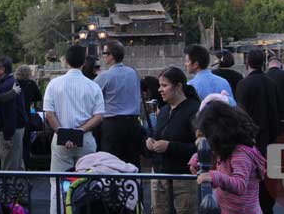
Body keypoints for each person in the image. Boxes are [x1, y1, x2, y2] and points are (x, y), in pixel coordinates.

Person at [43, 45, 105, 214]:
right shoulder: (93, 86)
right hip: (85, 139)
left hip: (60, 140)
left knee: (57, 184)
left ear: (66, 61)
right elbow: (99, 116)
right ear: (84, 62)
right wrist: (80, 132)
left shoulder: (54, 84)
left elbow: (49, 114)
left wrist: (63, 133)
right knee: (87, 184)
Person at [191, 101, 266, 214]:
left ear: (219, 133)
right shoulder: (226, 147)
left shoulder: (241, 154)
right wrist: (197, 158)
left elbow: (240, 185)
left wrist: (213, 176)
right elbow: (212, 152)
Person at [145, 67, 200, 214]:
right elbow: (159, 136)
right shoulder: (163, 111)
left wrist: (170, 146)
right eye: (159, 86)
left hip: (183, 179)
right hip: (160, 177)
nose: (160, 90)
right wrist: (150, 142)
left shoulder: (194, 110)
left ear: (178, 86)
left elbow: (201, 147)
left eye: (164, 85)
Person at [235, 49, 280, 214]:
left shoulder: (243, 84)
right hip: (270, 137)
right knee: (269, 179)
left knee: (251, 179)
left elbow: (240, 115)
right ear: (263, 63)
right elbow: (277, 112)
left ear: (247, 63)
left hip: (250, 140)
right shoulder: (271, 83)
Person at [95, 40, 143, 168]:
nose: (103, 56)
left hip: (113, 124)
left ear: (111, 56)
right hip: (133, 123)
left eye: (105, 53)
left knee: (111, 163)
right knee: (133, 162)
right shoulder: (133, 73)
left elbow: (91, 96)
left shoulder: (105, 76)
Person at [0, 56, 27, 170]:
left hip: (9, 131)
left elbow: (10, 112)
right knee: (16, 160)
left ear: (2, 69)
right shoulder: (10, 83)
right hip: (15, 129)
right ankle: (19, 185)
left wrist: (7, 135)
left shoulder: (6, 85)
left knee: (9, 164)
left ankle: (9, 186)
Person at [15, 64, 43, 169]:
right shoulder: (31, 84)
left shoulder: (15, 84)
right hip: (26, 115)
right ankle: (26, 166)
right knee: (26, 144)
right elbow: (38, 97)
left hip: (16, 116)